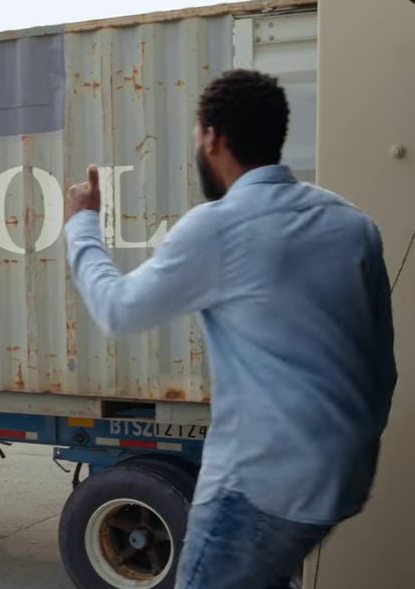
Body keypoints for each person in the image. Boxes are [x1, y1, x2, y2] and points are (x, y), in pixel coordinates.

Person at [62, 69, 396, 589]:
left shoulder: (219, 225)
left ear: (213, 138)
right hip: (337, 484)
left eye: (198, 135)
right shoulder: (352, 224)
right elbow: (382, 369)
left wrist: (82, 222)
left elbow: (117, 309)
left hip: (254, 488)